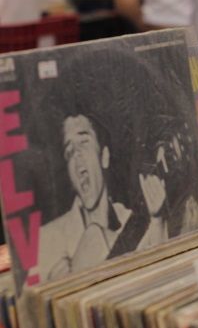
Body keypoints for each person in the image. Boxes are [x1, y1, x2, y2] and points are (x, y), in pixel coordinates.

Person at [38, 114, 169, 282]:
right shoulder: (46, 239)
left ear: (104, 157)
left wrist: (157, 220)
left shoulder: (133, 222)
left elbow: (159, 278)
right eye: (69, 151)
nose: (76, 154)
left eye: (84, 142)